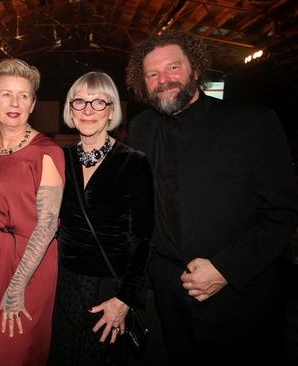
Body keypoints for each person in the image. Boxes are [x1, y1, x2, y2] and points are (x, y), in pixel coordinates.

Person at [126, 31, 298, 364]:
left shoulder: (252, 124)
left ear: (195, 71)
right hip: (167, 294)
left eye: (173, 68)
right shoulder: (141, 128)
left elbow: (283, 211)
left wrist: (226, 269)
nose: (164, 80)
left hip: (239, 297)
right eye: (152, 74)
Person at [48, 72, 153, 365]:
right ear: (70, 110)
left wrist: (124, 299)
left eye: (98, 102)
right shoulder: (59, 159)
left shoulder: (134, 162)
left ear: (111, 110)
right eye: (79, 102)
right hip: (65, 286)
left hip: (111, 287)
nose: (88, 110)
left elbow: (145, 238)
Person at [0, 59, 65, 366]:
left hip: (28, 265)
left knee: (9, 354)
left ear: (33, 103)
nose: (14, 103)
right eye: (6, 94)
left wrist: (17, 285)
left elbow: (48, 225)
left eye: (23, 95)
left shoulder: (46, 151)